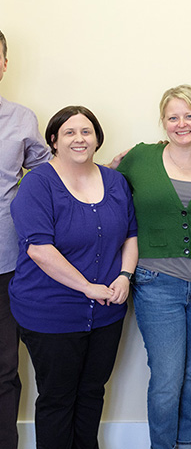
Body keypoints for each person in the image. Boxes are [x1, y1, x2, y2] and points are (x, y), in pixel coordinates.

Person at [9, 106, 138, 449]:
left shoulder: (115, 182)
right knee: (57, 399)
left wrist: (125, 276)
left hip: (107, 313)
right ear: (53, 140)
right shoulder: (37, 184)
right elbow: (39, 249)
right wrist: (87, 287)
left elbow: (130, 236)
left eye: (86, 132)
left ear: (97, 139)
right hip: (50, 313)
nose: (79, 139)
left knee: (92, 393)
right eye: (69, 132)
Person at [114, 84, 191, 449]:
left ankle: (188, 445)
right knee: (166, 379)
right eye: (173, 117)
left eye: (189, 115)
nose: (182, 124)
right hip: (156, 284)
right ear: (163, 122)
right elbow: (102, 186)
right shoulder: (140, 158)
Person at [0, 30, 51, 449]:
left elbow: (52, 173)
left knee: (3, 367)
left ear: (3, 64)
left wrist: (107, 171)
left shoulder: (22, 119)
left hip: (7, 262)